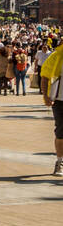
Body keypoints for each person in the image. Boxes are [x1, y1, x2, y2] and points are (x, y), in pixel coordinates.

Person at [39, 38, 63, 178]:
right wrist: (46, 96)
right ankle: (60, 162)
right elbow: (45, 77)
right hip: (59, 101)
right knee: (60, 132)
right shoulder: (56, 56)